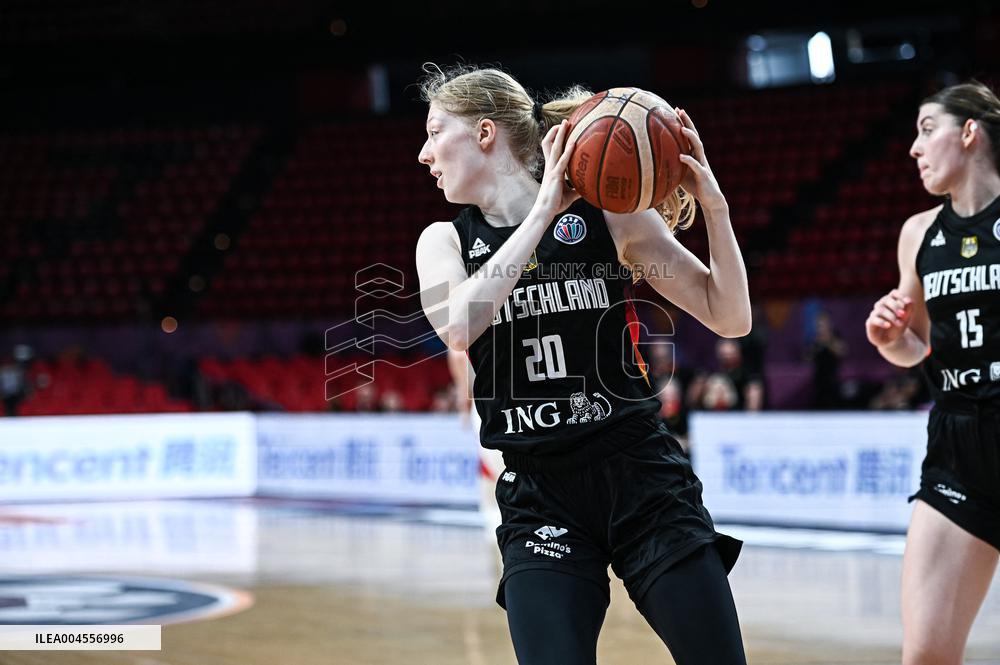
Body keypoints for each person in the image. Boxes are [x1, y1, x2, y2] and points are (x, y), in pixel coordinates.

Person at [415, 63, 750, 665]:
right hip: (539, 492)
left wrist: (716, 210)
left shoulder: (607, 213)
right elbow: (460, 325)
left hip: (639, 474)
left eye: (436, 132)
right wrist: (540, 213)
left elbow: (730, 316)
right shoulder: (443, 241)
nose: (424, 153)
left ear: (484, 132)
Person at [864, 80, 1000, 665]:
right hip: (957, 442)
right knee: (925, 655)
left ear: (969, 133)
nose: (913, 149)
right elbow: (916, 345)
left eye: (926, 130)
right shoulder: (918, 234)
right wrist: (888, 337)